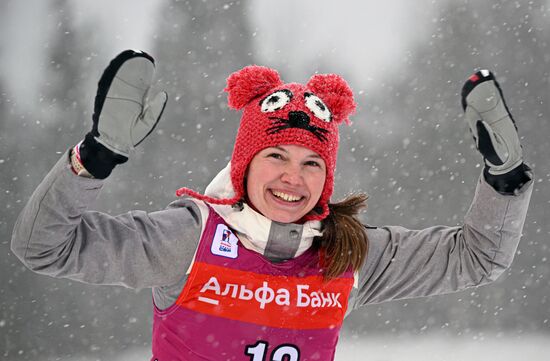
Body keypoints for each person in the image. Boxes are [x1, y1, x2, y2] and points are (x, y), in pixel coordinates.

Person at [11, 50, 533, 361]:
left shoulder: (346, 255)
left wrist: (503, 180)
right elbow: (44, 248)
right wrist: (94, 159)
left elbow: (478, 257)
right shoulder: (188, 239)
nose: (293, 176)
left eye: (313, 163)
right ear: (244, 165)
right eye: (276, 155)